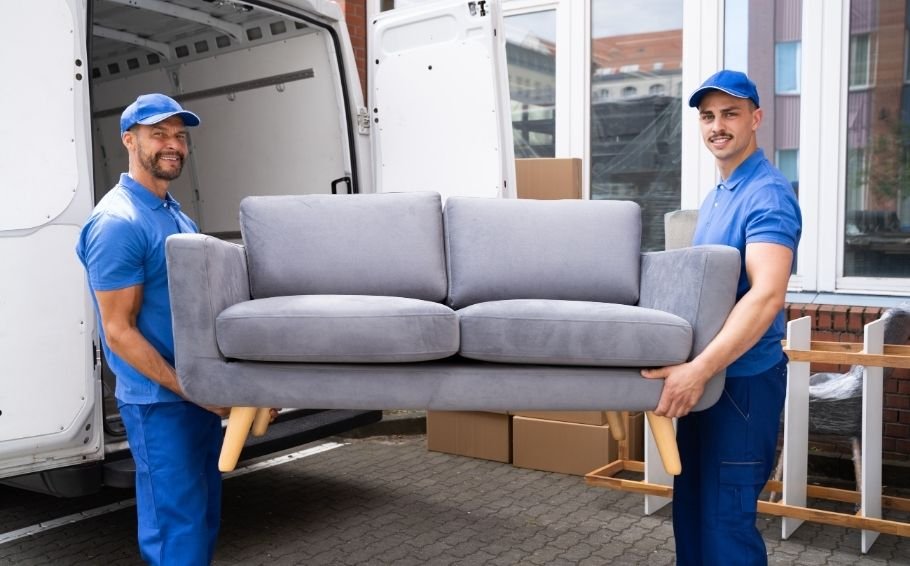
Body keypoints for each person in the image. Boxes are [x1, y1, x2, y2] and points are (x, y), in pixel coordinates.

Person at [642, 70, 802, 565]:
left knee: (724, 523)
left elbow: (767, 294)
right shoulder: (717, 197)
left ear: (756, 118)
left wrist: (699, 370)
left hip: (741, 387)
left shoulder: (767, 195)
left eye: (730, 113)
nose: (718, 126)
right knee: (691, 513)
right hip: (708, 380)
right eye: (708, 116)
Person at [76, 93, 224, 565]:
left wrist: (239, 386)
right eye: (158, 133)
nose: (173, 144)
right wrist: (193, 390)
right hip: (159, 404)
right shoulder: (118, 222)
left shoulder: (173, 212)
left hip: (192, 397)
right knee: (175, 530)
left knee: (201, 519)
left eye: (179, 135)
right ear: (128, 139)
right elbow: (119, 331)